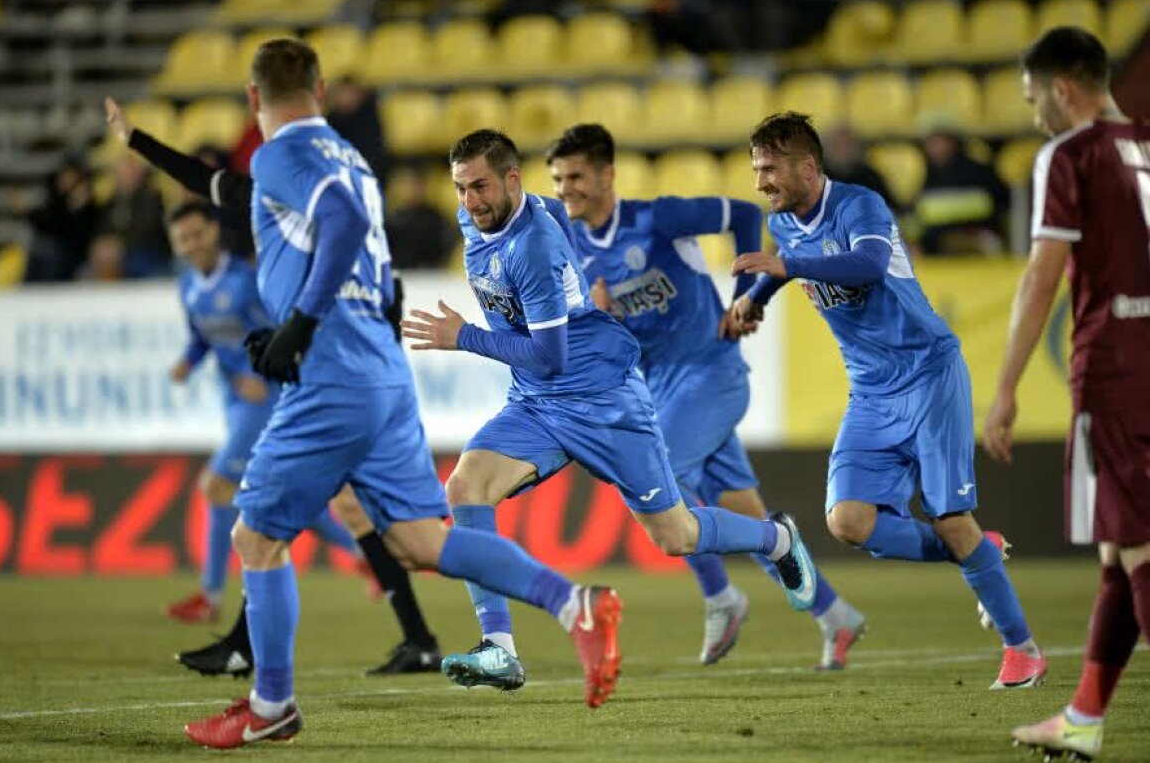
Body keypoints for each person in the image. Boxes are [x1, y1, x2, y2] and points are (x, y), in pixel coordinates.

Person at [184, 40, 626, 749]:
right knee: (422, 541)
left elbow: (346, 227)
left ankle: (272, 706)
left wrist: (298, 325)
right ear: (323, 90)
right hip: (382, 372)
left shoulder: (278, 155)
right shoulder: (351, 159)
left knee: (255, 535)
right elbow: (375, 263)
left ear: (251, 98)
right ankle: (573, 603)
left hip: (330, 374)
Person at [401, 128, 820, 692]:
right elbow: (552, 231)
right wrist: (578, 293)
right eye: (460, 189)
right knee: (465, 487)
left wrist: (465, 336)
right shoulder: (482, 220)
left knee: (676, 535)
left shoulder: (533, 247)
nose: (470, 201)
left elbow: (549, 354)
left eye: (480, 187)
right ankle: (498, 646)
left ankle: (778, 541)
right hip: (539, 403)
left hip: (603, 400)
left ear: (511, 180)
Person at [103, 96, 444, 677]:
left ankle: (249, 648)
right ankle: (423, 638)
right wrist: (138, 141)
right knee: (351, 516)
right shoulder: (292, 198)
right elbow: (209, 181)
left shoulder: (320, 217)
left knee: (266, 513)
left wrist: (299, 335)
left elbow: (373, 286)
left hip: (329, 383)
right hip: (351, 378)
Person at [731, 112, 1045, 690]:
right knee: (848, 522)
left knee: (951, 519)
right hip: (872, 390)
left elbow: (870, 265)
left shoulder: (860, 206)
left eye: (769, 170)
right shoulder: (788, 226)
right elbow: (783, 265)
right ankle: (978, 553)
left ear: (806, 167)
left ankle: (1021, 648)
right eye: (756, 170)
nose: (761, 183)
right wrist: (754, 298)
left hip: (928, 372)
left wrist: (785, 266)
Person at [546, 123, 866, 669]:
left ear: (607, 176)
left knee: (653, 475)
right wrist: (600, 316)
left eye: (575, 176)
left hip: (711, 373)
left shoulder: (655, 218)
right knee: (749, 522)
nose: (565, 188)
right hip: (661, 390)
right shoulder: (571, 248)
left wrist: (743, 297)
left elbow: (743, 216)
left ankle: (721, 598)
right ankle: (836, 617)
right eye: (557, 179)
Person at [985, 27, 1150, 763]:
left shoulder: (1069, 154)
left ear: (1061, 89)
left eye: (1032, 100)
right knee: (1118, 552)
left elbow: (1041, 274)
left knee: (1140, 548)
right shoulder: (1146, 144)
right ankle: (1084, 716)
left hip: (1116, 368)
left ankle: (1084, 716)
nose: (1032, 117)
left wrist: (1006, 386)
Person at [162, 200, 373, 627]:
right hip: (235, 401)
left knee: (217, 486)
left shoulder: (245, 281)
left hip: (267, 400)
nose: (191, 243)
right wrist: (188, 360)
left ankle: (210, 596)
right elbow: (203, 338)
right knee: (284, 498)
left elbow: (282, 331)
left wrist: (264, 371)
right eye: (183, 238)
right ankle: (366, 555)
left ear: (213, 232)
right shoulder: (187, 286)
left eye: (197, 233)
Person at [915, 123, 1010, 257]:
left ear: (953, 142)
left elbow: (998, 202)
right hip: (937, 238)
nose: (935, 147)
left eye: (940, 141)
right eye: (931, 142)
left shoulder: (977, 171)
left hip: (976, 233)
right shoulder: (924, 175)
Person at [100, 152, 172, 277]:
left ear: (140, 175)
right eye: (124, 174)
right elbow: (103, 228)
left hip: (148, 253)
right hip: (118, 254)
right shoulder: (112, 202)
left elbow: (148, 230)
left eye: (131, 173)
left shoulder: (152, 198)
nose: (128, 177)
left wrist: (121, 245)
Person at [383, 164, 460, 270]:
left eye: (415, 185)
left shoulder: (436, 220)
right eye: (407, 185)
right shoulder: (393, 222)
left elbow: (446, 250)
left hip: (434, 278)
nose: (411, 190)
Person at [824, 123, 895, 210]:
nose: (844, 150)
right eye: (838, 145)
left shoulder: (871, 178)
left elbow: (888, 210)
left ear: (858, 147)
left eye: (848, 144)